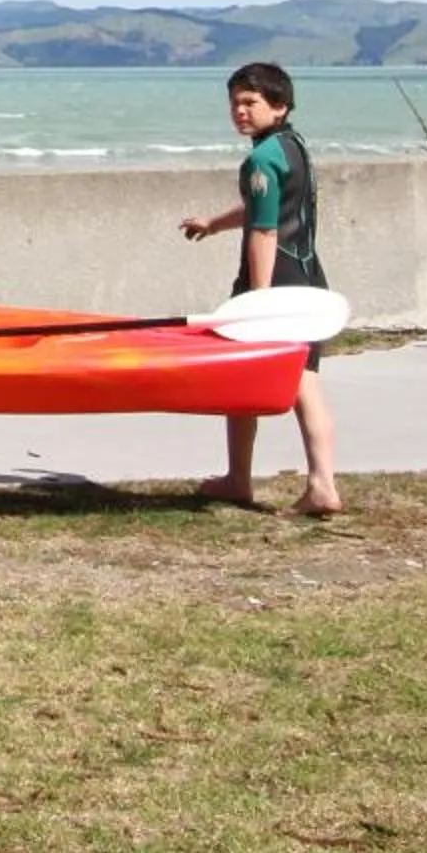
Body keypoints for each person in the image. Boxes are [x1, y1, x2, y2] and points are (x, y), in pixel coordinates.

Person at [179, 61, 342, 515]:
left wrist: (259, 296)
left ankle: (240, 479)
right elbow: (260, 205)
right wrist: (213, 224)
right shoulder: (292, 148)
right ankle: (320, 482)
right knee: (304, 382)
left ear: (280, 105)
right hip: (308, 278)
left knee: (243, 380)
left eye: (250, 102)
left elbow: (265, 231)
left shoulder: (260, 158)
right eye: (234, 102)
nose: (239, 111)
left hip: (276, 282)